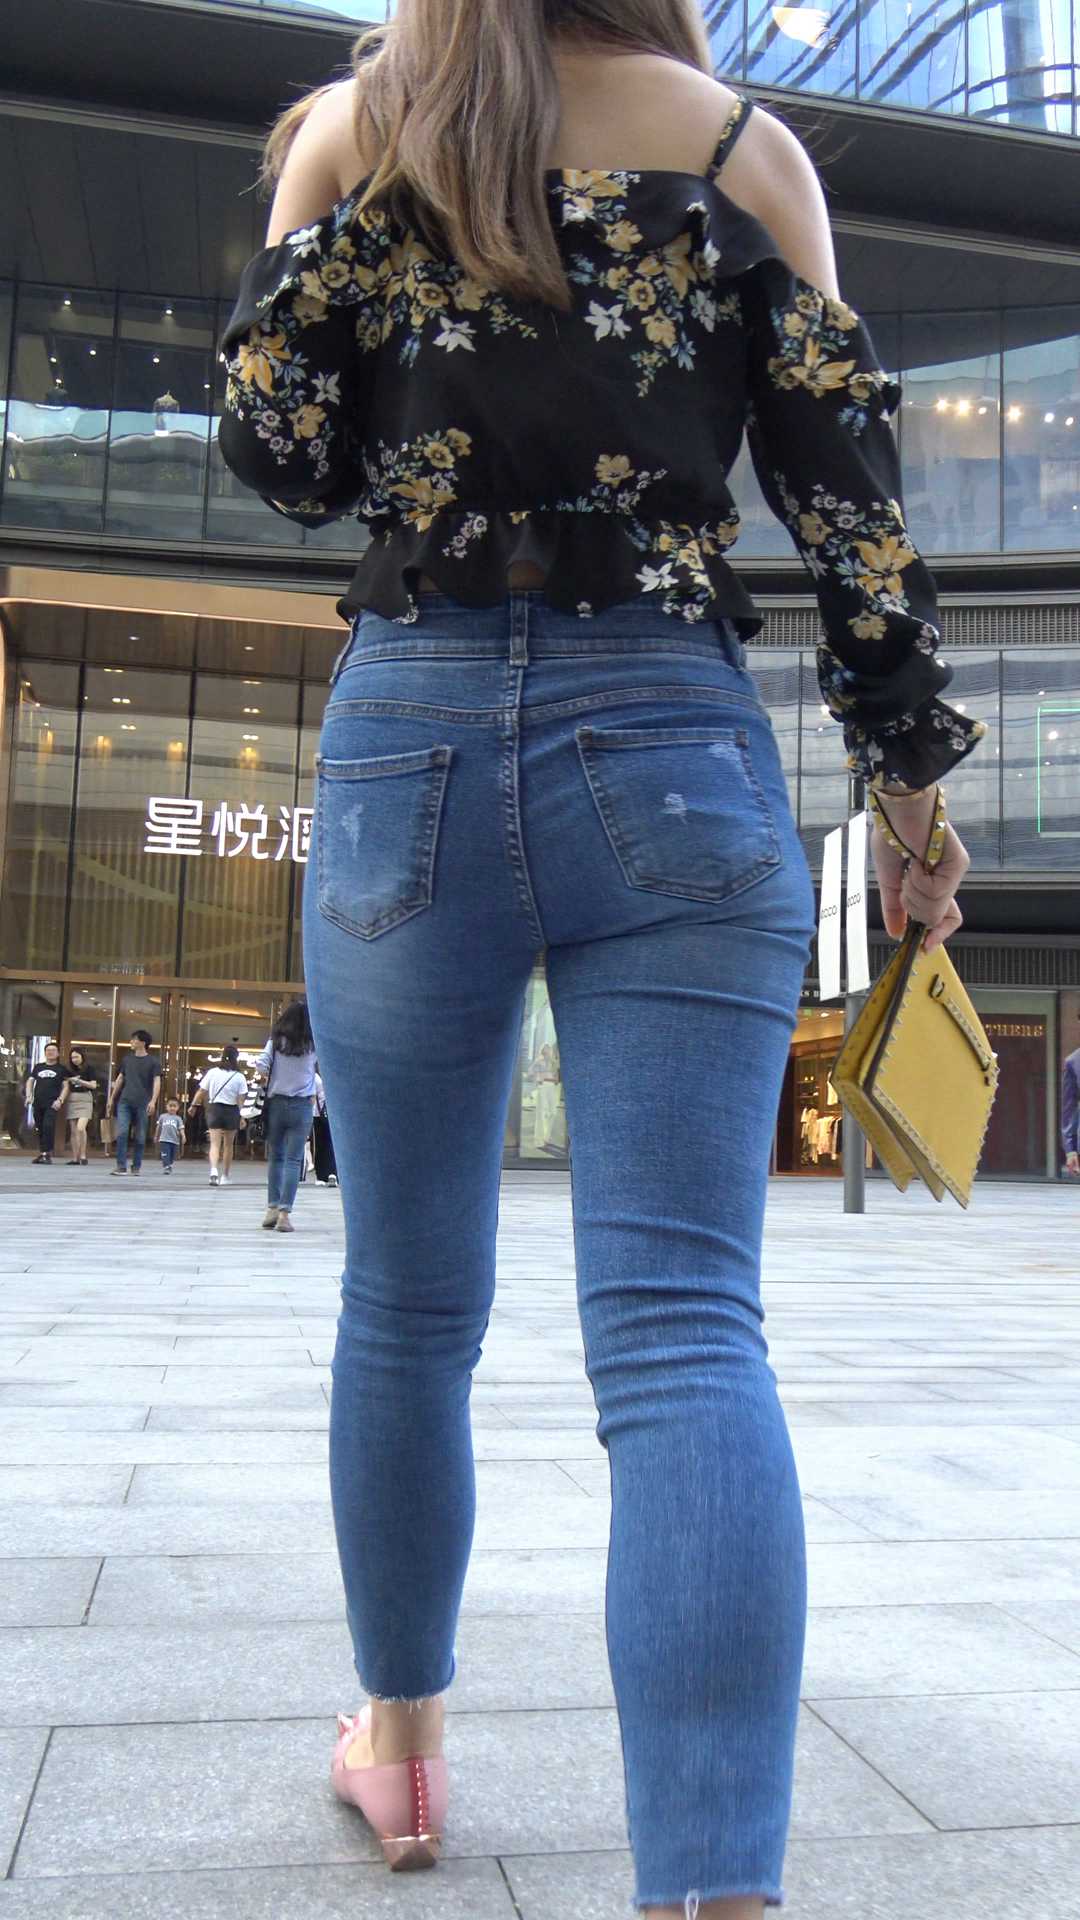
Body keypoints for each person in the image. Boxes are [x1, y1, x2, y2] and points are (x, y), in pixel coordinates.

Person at [218, 6, 980, 1913]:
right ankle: (713, 1887)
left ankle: (402, 1742)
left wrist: (330, 205)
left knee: (406, 1304)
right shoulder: (741, 157)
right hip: (671, 741)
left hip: (407, 738)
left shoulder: (363, 131)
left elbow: (282, 460)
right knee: (683, 1328)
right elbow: (853, 530)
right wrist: (909, 807)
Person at [253, 999, 317, 1232]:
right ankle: (284, 1215)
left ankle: (271, 1208)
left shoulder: (276, 1040)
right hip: (302, 1105)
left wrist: (273, 1076)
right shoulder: (313, 1043)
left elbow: (261, 1065)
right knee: (293, 1160)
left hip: (276, 1104)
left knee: (276, 1157)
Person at [188, 1044, 248, 1186]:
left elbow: (202, 1091)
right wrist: (242, 1116)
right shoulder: (239, 1076)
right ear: (236, 1058)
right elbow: (241, 1099)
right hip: (232, 1110)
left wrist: (193, 1105)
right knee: (228, 1145)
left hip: (215, 1109)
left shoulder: (213, 1072)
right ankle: (225, 1176)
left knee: (214, 1144)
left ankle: (213, 1170)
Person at [106, 1030, 161, 1177]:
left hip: (143, 1102)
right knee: (122, 1132)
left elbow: (157, 1081)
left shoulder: (153, 1062)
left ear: (143, 1042)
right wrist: (111, 1098)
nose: (131, 1042)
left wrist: (153, 1101)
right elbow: (120, 1079)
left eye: (134, 1039)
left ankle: (136, 1166)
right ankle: (121, 1166)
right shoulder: (127, 1060)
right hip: (125, 1101)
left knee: (140, 1136)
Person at [24, 1043, 69, 1164]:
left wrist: (60, 1100)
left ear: (58, 1053)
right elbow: (30, 1081)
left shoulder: (61, 1069)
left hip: (52, 1103)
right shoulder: (38, 1067)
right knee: (40, 1127)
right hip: (38, 1102)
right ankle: (43, 1153)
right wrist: (28, 1096)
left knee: (48, 1126)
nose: (50, 1052)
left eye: (53, 1050)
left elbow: (65, 1086)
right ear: (45, 1053)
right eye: (48, 1050)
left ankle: (47, 1154)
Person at [58, 1047, 99, 1165]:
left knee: (81, 1128)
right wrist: (61, 1099)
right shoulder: (68, 1070)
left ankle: (83, 1155)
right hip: (72, 1099)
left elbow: (93, 1085)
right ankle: (75, 1158)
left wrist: (79, 1081)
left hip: (85, 1099)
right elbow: (66, 1086)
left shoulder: (89, 1069)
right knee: (73, 1130)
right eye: (72, 1057)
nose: (74, 1059)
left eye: (76, 1057)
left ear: (82, 1056)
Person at [312, 1071, 338, 1186]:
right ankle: (331, 1173)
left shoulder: (315, 1076)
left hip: (318, 1114)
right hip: (327, 1114)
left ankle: (322, 1175)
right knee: (329, 1144)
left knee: (320, 1145)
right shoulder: (327, 1076)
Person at [155, 1097, 185, 1175]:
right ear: (166, 1106)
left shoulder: (178, 1118)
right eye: (170, 1106)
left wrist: (183, 1136)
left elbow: (181, 1128)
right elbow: (158, 1127)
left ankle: (169, 1165)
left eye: (174, 1106)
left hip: (174, 1140)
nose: (172, 1108)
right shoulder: (162, 1116)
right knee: (165, 1153)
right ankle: (166, 1166)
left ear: (178, 1107)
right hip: (164, 1139)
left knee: (172, 1154)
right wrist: (156, 1136)